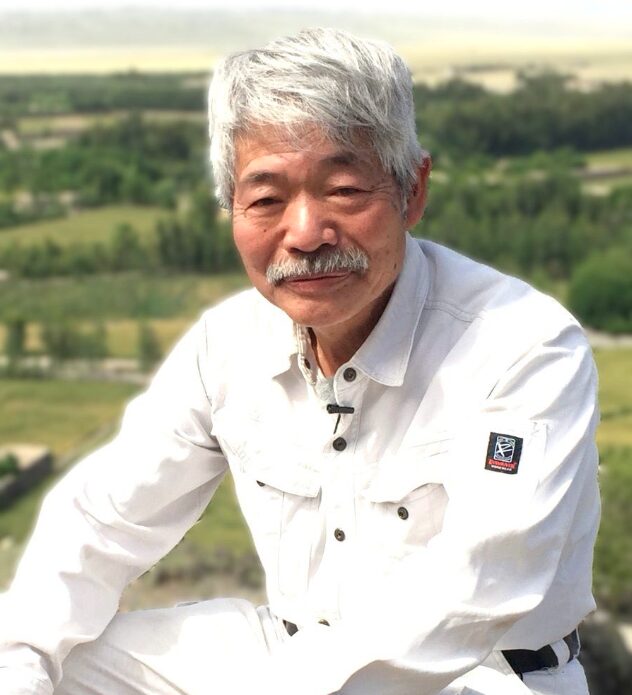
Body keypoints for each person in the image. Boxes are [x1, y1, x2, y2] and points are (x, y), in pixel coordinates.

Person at [0, 28, 599, 695]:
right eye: (266, 199)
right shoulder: (226, 342)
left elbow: (478, 591)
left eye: (343, 189)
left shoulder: (525, 346)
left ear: (413, 190)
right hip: (290, 651)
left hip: (480, 675)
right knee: (57, 655)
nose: (306, 233)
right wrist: (22, 666)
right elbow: (103, 521)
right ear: (232, 208)